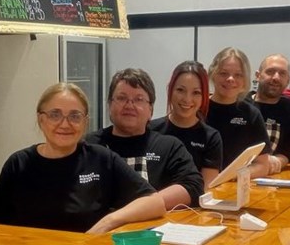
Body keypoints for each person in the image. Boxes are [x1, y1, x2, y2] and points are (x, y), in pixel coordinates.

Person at [0, 83, 165, 233]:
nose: (65, 124)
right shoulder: (18, 164)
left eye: (75, 116)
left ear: (85, 122)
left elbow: (155, 202)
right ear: (41, 119)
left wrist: (108, 222)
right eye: (55, 114)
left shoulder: (101, 159)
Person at [86, 68, 204, 209]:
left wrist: (140, 208)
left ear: (151, 110)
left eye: (139, 99)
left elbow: (194, 187)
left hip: (151, 230)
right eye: (122, 98)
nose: (129, 105)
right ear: (109, 105)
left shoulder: (169, 147)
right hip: (96, 230)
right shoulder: (89, 146)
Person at [149, 60, 224, 189]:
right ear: (170, 90)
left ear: (204, 96)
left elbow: (206, 189)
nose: (187, 99)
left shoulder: (211, 138)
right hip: (151, 206)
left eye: (196, 93)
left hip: (192, 207)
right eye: (180, 90)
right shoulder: (150, 130)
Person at [205, 46, 271, 177]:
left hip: (233, 187)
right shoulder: (198, 109)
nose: (230, 79)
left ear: (245, 80)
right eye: (223, 73)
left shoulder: (251, 115)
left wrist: (231, 176)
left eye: (238, 75)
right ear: (212, 74)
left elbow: (263, 165)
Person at [249, 53, 290, 175]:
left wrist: (279, 161)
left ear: (288, 80)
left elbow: (289, 149)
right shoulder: (241, 105)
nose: (276, 77)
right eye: (270, 72)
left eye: (282, 73)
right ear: (258, 75)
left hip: (273, 177)